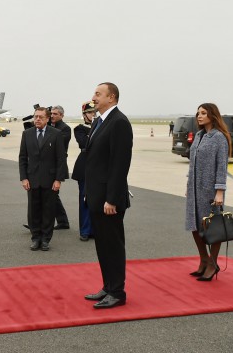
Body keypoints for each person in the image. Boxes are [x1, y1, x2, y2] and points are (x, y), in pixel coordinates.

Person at [84, 82, 132, 309]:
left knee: (112, 245)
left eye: (97, 93)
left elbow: (119, 165)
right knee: (102, 245)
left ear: (111, 97)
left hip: (109, 200)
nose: (93, 97)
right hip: (96, 196)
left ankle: (117, 292)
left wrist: (112, 198)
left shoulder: (119, 123)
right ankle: (108, 286)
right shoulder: (99, 121)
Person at [185, 103, 231, 281]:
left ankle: (213, 262)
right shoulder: (198, 135)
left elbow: (222, 166)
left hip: (210, 190)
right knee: (194, 226)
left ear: (213, 115)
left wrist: (220, 191)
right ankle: (203, 259)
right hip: (194, 189)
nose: (199, 116)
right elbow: (192, 163)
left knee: (212, 227)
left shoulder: (219, 138)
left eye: (203, 113)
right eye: (198, 113)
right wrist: (188, 185)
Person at [19, 107, 66, 251]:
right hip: (32, 180)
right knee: (33, 211)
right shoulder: (27, 134)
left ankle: (45, 239)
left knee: (48, 211)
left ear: (47, 119)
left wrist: (58, 179)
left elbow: (61, 159)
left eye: (40, 117)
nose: (37, 119)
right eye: (35, 117)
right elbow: (22, 158)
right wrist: (24, 178)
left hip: (50, 180)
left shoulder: (56, 134)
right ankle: (35, 238)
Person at [71, 101, 96, 241]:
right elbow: (84, 143)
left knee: (97, 199)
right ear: (84, 115)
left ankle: (95, 229)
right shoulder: (79, 128)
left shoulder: (100, 126)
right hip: (85, 165)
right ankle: (85, 230)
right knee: (84, 199)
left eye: (94, 112)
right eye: (90, 112)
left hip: (97, 167)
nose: (93, 114)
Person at [49, 105, 71, 230]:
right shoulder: (49, 127)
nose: (52, 116)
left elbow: (55, 145)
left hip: (58, 166)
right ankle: (63, 222)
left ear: (62, 115)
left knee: (52, 195)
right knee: (51, 195)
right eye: (51, 113)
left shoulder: (65, 129)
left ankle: (61, 222)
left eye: (55, 114)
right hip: (47, 165)